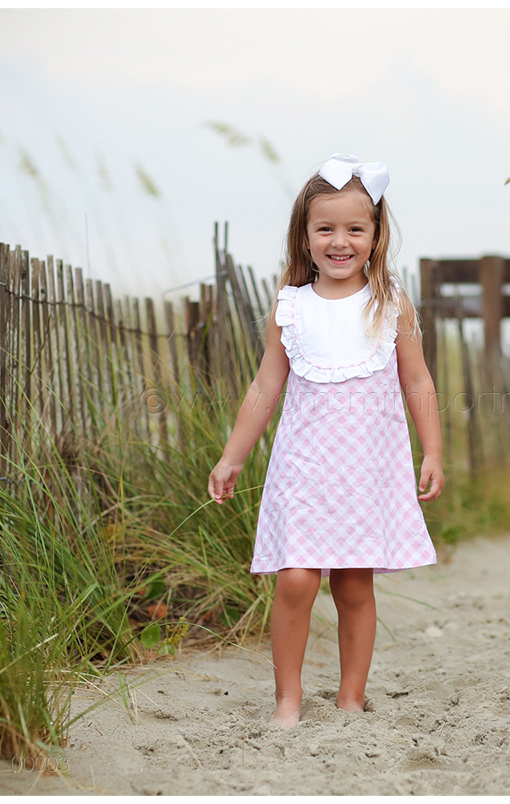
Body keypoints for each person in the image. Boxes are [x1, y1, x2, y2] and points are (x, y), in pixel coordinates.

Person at [208, 154, 444, 728]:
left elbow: (417, 379)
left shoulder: (391, 304)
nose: (340, 241)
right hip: (305, 468)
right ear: (306, 236)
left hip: (367, 471)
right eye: (326, 229)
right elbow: (266, 386)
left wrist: (432, 450)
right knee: (295, 580)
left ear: (376, 235)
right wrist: (231, 456)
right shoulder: (292, 307)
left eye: (355, 229)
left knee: (354, 584)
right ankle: (288, 698)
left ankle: (350, 697)